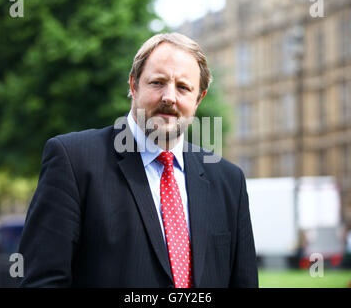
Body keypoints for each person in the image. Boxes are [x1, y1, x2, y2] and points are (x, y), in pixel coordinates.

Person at [18, 33, 258, 288]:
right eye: (157, 82)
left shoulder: (229, 181)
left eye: (183, 87)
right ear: (133, 86)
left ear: (199, 99)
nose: (169, 97)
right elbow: (42, 282)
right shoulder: (73, 161)